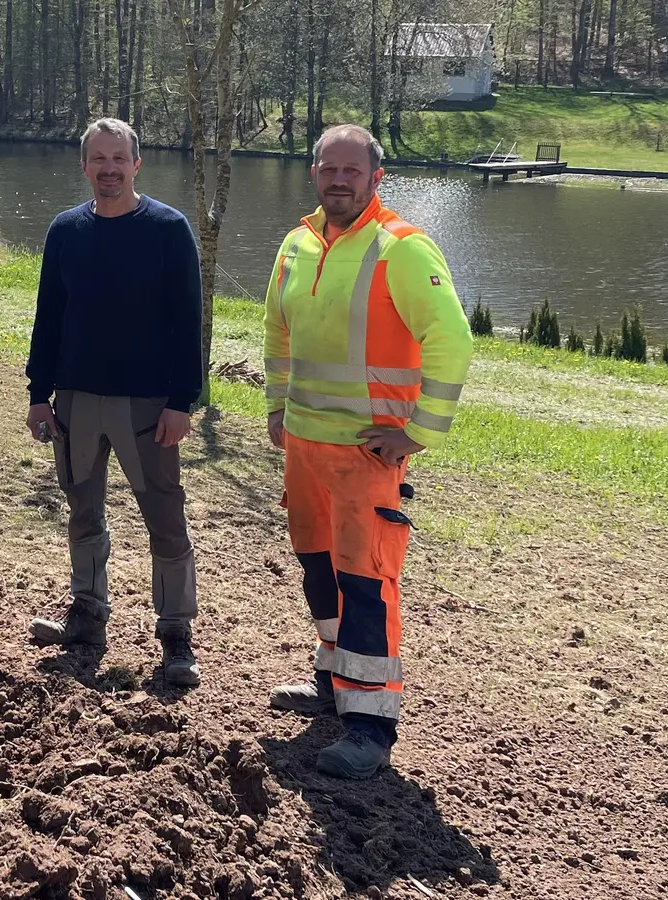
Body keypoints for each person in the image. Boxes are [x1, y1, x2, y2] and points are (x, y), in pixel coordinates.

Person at [263, 124, 472, 779]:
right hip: (304, 449)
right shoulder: (295, 245)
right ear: (314, 173)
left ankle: (370, 727)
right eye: (329, 169)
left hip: (366, 457)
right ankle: (332, 683)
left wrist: (418, 432)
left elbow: (452, 339)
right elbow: (277, 331)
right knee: (318, 571)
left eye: (352, 171)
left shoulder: (401, 248)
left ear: (376, 179)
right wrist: (276, 408)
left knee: (365, 583)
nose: (339, 180)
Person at [24, 117, 204, 688]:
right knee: (82, 509)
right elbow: (49, 316)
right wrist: (38, 393)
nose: (109, 169)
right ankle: (87, 612)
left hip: (147, 405)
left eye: (118, 159)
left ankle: (175, 632)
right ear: (84, 166)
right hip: (75, 399)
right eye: (98, 159)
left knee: (164, 517)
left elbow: (189, 322)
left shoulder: (168, 229)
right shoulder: (65, 230)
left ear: (136, 164)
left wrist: (182, 401)